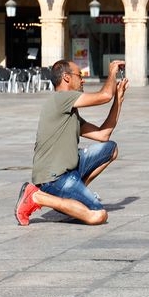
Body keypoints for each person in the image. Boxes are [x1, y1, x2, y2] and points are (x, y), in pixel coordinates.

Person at [15, 59, 128, 226]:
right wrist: (112, 72)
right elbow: (105, 96)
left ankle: (74, 197)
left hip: (70, 170)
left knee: (111, 149)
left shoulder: (70, 111)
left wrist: (118, 100)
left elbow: (103, 135)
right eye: (79, 75)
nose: (83, 80)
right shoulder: (61, 98)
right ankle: (36, 196)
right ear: (66, 77)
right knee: (98, 215)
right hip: (54, 178)